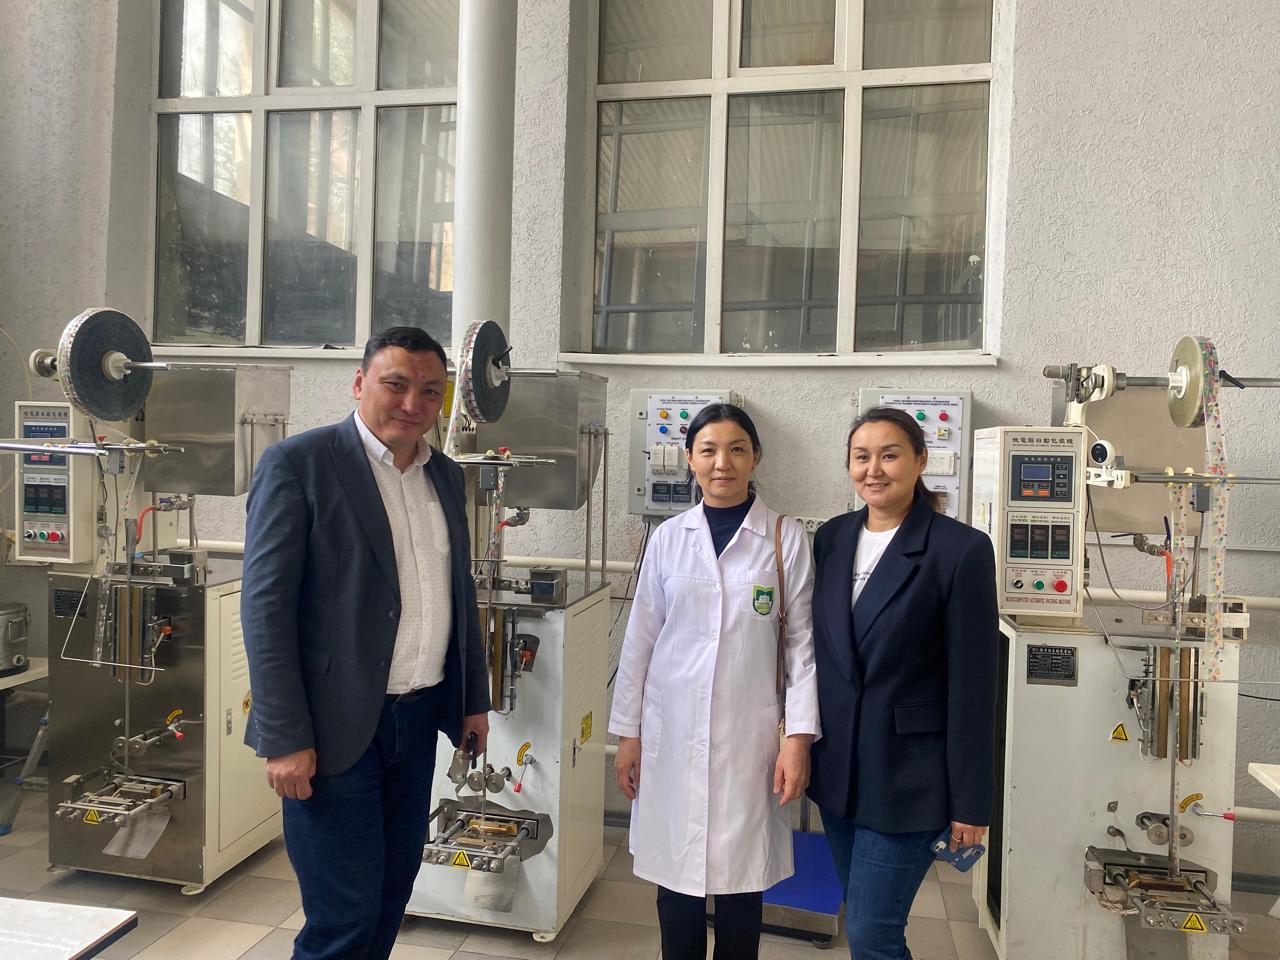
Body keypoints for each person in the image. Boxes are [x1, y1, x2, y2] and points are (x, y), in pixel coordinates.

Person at [241, 327, 490, 960]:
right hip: (333, 729)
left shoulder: (445, 476)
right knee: (342, 919)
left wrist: (472, 701)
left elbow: (458, 592)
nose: (412, 404)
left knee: (389, 896)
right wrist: (284, 736)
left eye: (430, 392)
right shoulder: (300, 464)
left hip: (417, 720)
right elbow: (266, 609)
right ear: (359, 383)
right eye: (395, 384)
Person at [609, 403, 820, 960]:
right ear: (690, 459)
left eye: (736, 449)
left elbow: (802, 649)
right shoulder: (668, 538)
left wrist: (798, 740)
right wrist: (627, 734)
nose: (722, 463)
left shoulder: (785, 539)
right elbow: (639, 642)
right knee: (676, 887)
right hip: (671, 735)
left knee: (740, 888)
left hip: (750, 740)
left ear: (755, 457)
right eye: (708, 450)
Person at [807, 406, 998, 960]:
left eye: (889, 455)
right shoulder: (833, 538)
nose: (874, 470)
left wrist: (971, 804)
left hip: (909, 778)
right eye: (861, 457)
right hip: (839, 770)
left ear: (920, 461)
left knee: (873, 932)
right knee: (864, 918)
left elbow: (973, 688)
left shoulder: (959, 550)